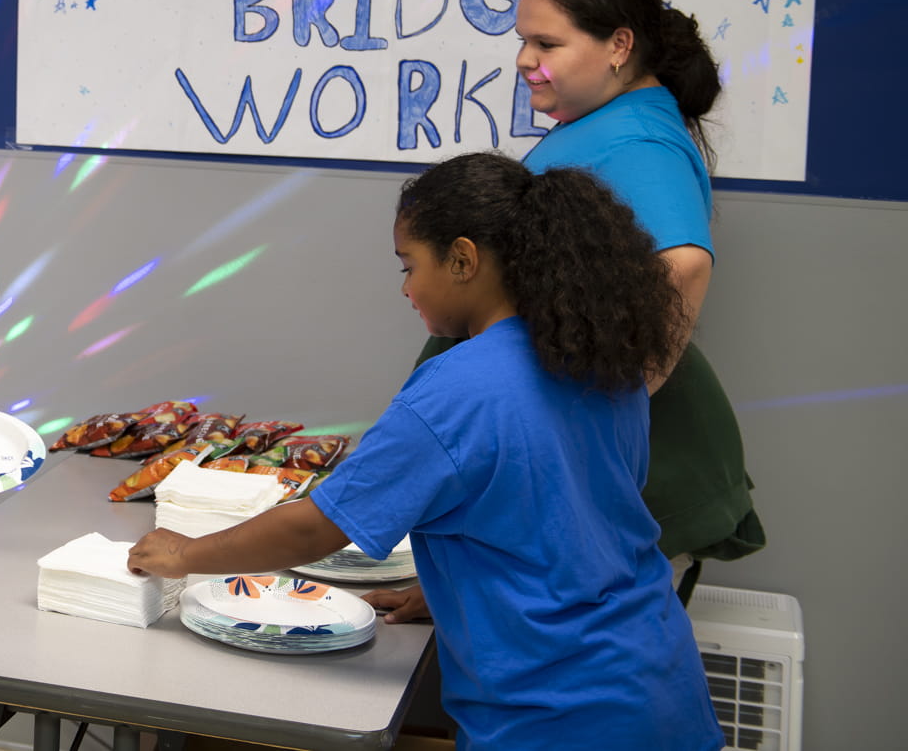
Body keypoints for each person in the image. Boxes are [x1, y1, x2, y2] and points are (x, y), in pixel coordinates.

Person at [128, 152, 723, 751]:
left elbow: (319, 527)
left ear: (463, 259)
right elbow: (575, 519)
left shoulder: (459, 389)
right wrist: (453, 591)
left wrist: (185, 554)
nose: (407, 288)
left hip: (556, 719)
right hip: (662, 689)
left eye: (409, 266)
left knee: (211, 741)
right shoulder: (605, 363)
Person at [387, 0, 763, 625]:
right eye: (523, 41)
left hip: (632, 471)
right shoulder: (601, 124)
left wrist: (606, 396)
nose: (527, 59)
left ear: (620, 45)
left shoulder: (640, 138)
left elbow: (685, 264)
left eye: (547, 43)